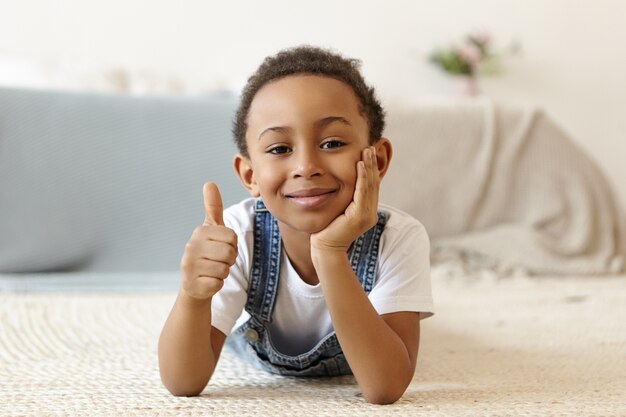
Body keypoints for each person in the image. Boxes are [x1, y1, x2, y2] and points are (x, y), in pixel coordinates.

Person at [158, 45, 434, 405]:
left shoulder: (398, 238)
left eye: (332, 142)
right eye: (278, 149)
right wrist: (193, 297)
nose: (306, 166)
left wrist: (330, 251)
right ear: (250, 174)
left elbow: (385, 387)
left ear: (377, 159)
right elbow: (183, 382)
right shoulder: (239, 234)